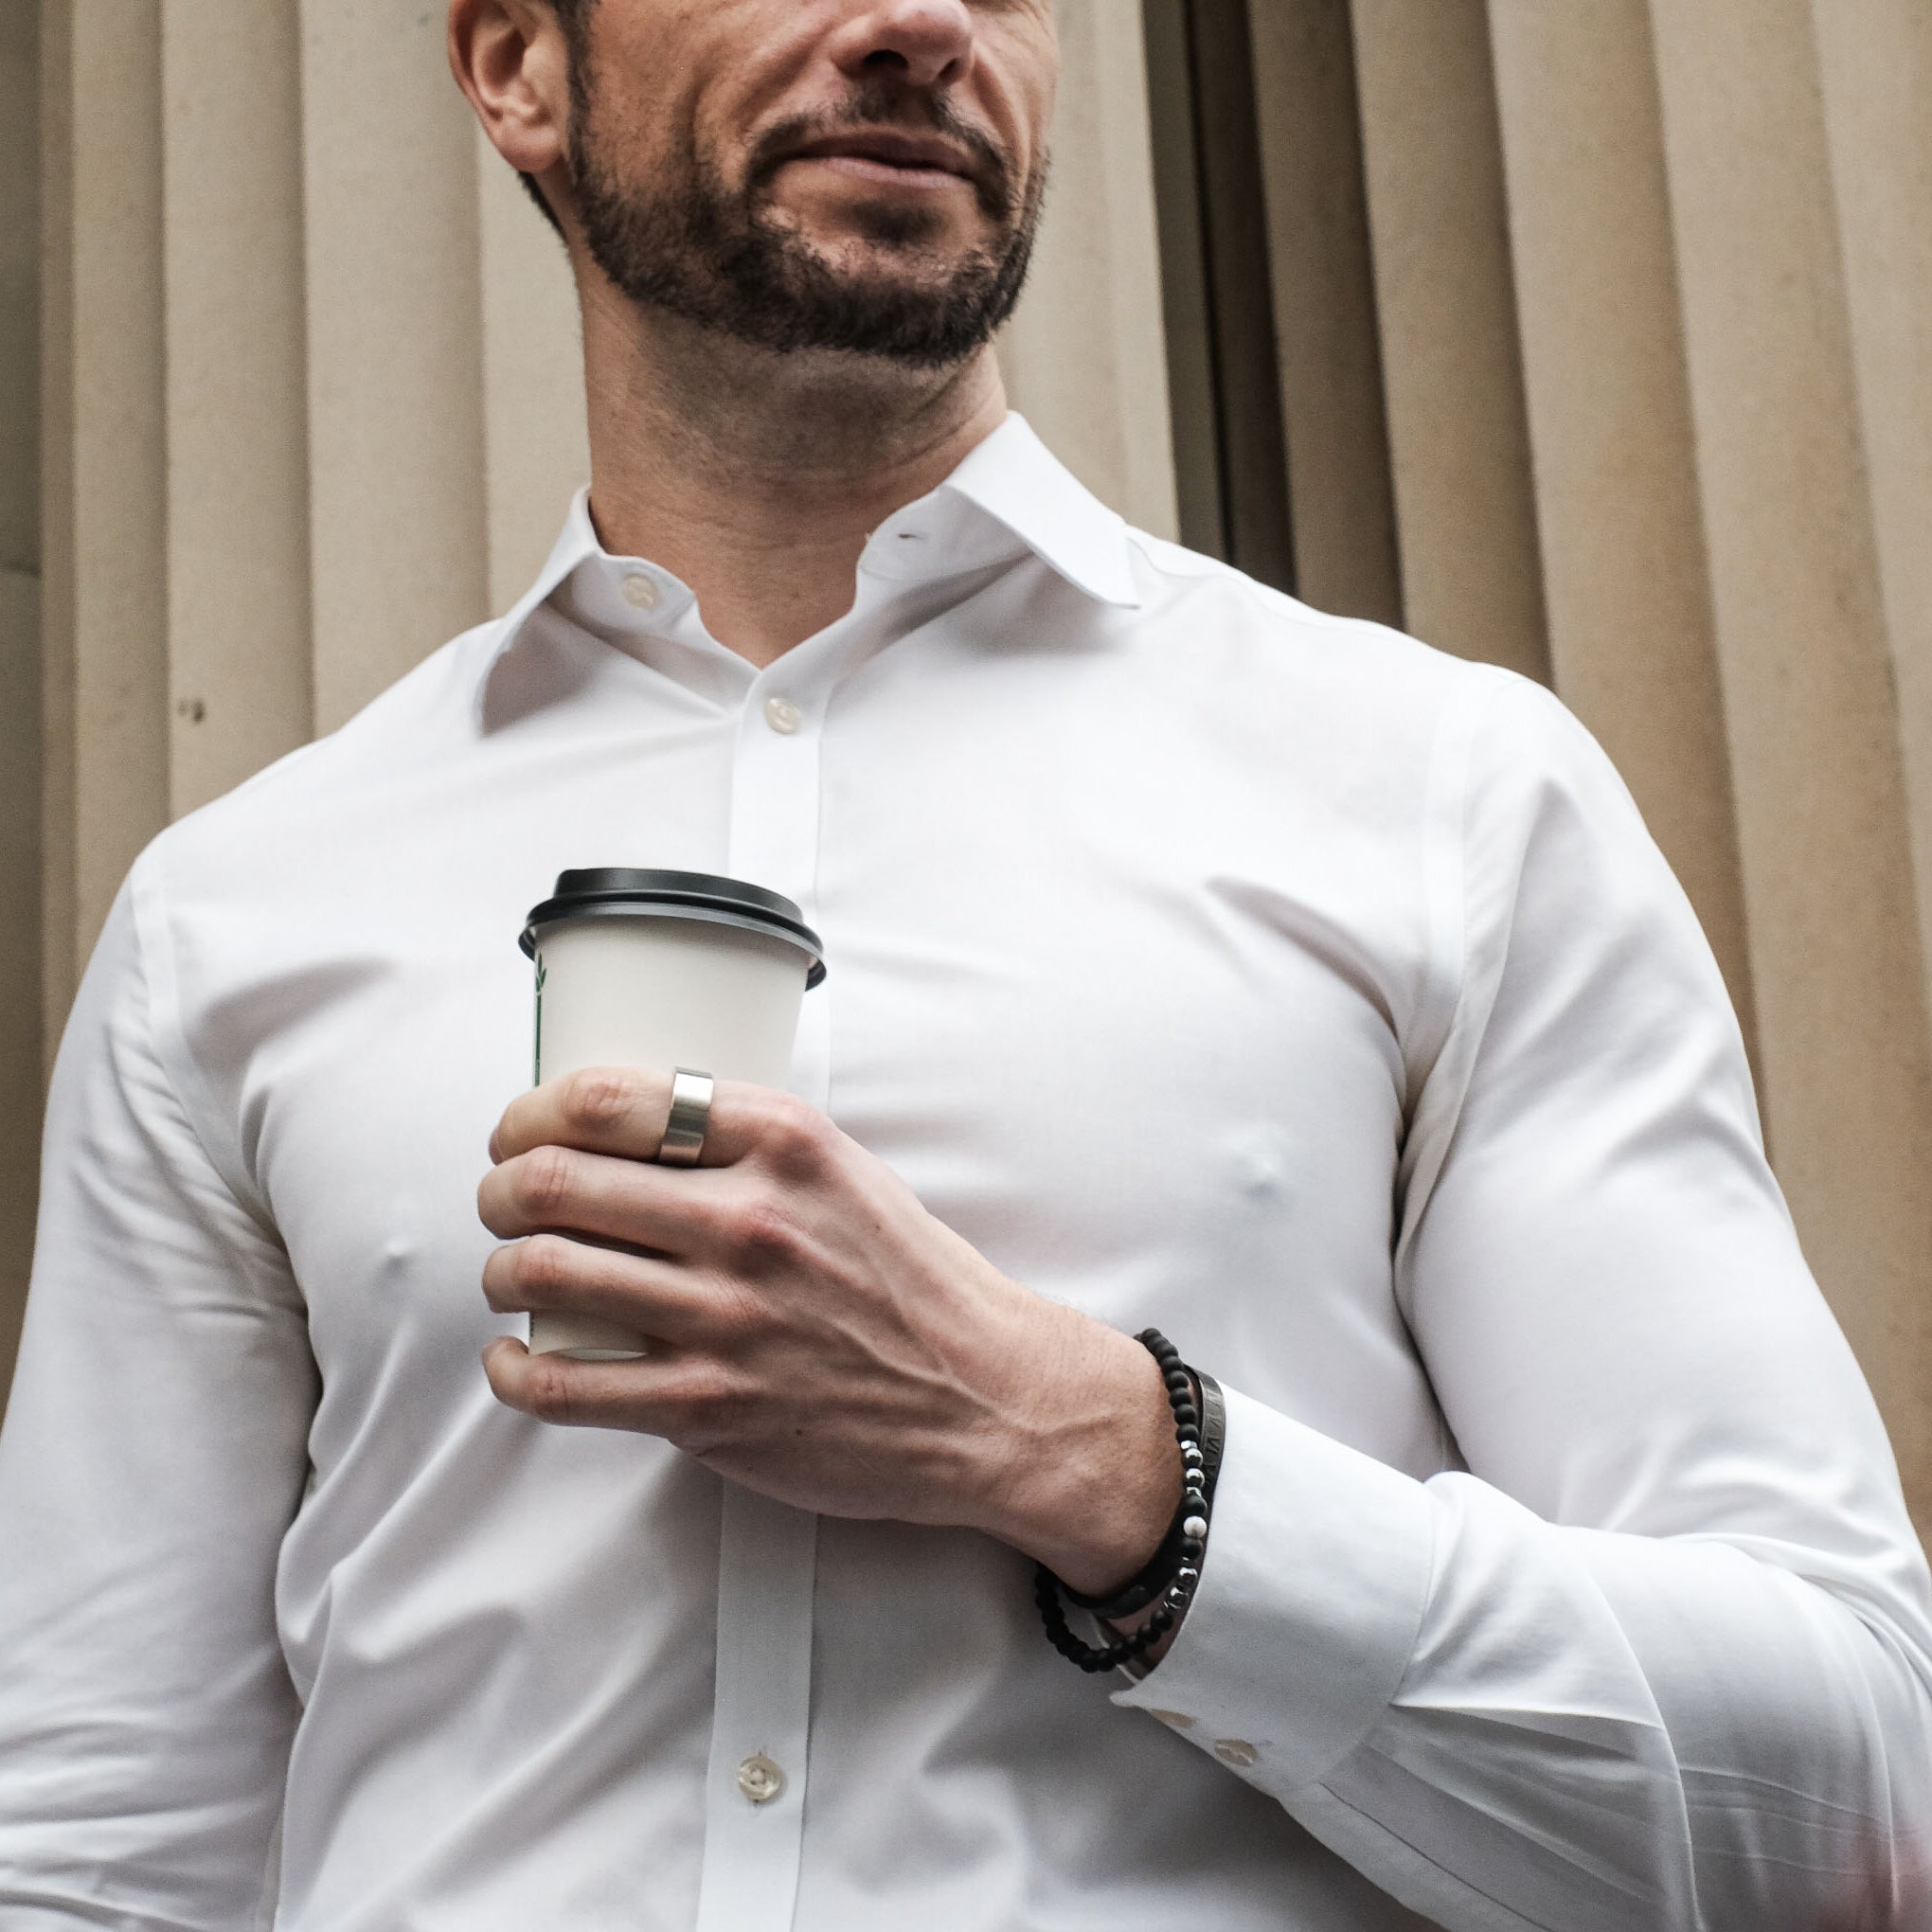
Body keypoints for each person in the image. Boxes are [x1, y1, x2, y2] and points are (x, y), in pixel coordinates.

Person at [1, 0, 1927, 1924]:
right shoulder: (237, 915)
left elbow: (1856, 1789)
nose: (925, 23)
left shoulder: (1445, 800)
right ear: (519, 66)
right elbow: (99, 1854)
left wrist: (1106, 1462)